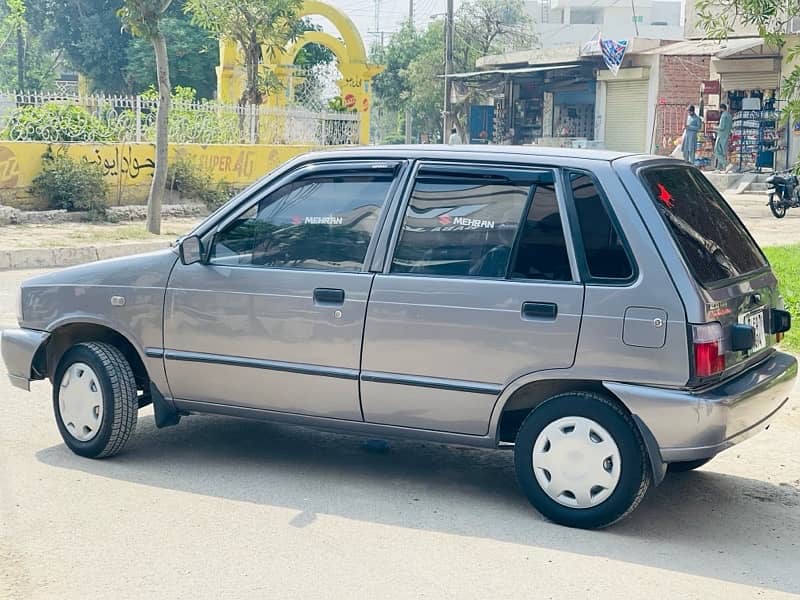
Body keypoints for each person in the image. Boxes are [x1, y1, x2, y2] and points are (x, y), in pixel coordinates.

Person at [714, 103, 733, 171]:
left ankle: (727, 164)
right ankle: (719, 168)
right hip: (726, 136)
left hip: (721, 136)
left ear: (721, 108)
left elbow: (721, 127)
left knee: (717, 151)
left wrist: (715, 127)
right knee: (722, 153)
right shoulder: (730, 116)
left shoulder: (723, 115)